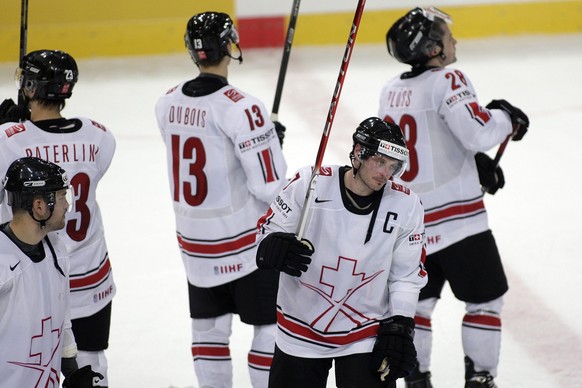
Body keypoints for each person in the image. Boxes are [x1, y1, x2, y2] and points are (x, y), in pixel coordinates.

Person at [379, 7, 530, 388]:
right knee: (484, 302)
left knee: (418, 307)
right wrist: (507, 118)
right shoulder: (448, 79)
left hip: (411, 227)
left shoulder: (390, 91)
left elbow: (420, 143)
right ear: (432, 49)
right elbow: (477, 131)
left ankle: (417, 379)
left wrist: (473, 161)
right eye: (447, 36)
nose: (454, 41)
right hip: (461, 225)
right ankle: (480, 378)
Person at [155, 11, 288, 388]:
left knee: (209, 330)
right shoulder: (242, 107)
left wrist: (263, 139)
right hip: (244, 243)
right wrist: (268, 144)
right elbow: (268, 185)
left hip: (195, 244)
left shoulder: (165, 103)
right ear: (230, 46)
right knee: (268, 326)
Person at [255, 117, 428, 388]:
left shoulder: (407, 205)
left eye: (393, 166)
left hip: (365, 335)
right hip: (300, 331)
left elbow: (405, 275)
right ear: (359, 153)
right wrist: (271, 246)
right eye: (380, 162)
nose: (386, 173)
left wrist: (401, 326)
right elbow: (267, 231)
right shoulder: (308, 184)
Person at [0, 49, 117, 386]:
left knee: (31, 361)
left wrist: (10, 124)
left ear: (31, 87)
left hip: (35, 273)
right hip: (93, 273)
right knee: (91, 362)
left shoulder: (9, 142)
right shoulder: (98, 135)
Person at [0, 156, 103, 387]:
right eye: (61, 196)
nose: (67, 205)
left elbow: (61, 317)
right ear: (39, 206)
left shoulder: (56, 249)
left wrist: (72, 371)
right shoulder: (2, 263)